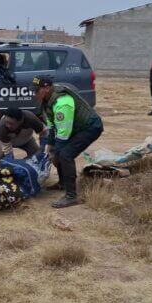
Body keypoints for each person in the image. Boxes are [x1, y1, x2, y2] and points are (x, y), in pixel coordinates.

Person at [34, 76, 104, 208]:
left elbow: (63, 133)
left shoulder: (62, 103)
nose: (35, 93)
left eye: (37, 90)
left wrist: (55, 152)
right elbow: (52, 127)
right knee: (57, 153)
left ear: (46, 88)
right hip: (73, 128)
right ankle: (62, 183)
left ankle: (71, 196)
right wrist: (49, 147)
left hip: (90, 127)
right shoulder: (47, 100)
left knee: (65, 155)